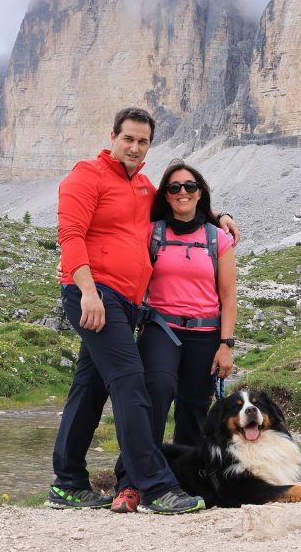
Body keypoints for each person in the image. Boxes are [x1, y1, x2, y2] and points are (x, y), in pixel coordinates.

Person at [48, 106, 238, 515]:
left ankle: (67, 483)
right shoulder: (87, 175)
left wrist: (218, 217)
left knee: (90, 387)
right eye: (128, 138)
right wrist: (88, 292)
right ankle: (154, 486)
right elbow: (70, 234)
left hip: (126, 304)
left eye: (142, 141)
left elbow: (182, 205)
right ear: (112, 136)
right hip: (96, 296)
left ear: (149, 145)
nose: (134, 147)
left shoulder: (143, 187)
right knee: (131, 381)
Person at [110, 161, 238, 513]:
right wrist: (74, 266)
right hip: (160, 327)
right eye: (175, 187)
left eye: (190, 187)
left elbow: (229, 296)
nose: (183, 193)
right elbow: (114, 241)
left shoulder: (218, 238)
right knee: (155, 394)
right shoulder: (151, 231)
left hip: (206, 332)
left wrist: (226, 345)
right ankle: (131, 483)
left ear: (200, 193)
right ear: (165, 194)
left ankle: (182, 484)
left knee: (194, 409)